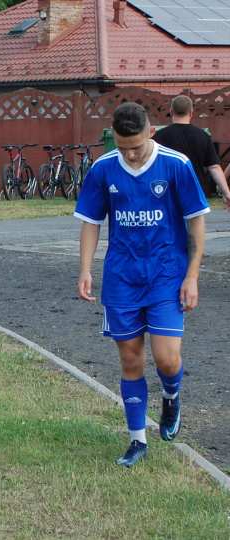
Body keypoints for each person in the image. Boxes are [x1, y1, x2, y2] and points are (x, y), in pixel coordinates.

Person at [76, 102, 208, 468]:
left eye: (136, 146)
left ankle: (171, 394)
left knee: (167, 359)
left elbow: (197, 224)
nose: (130, 153)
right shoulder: (104, 169)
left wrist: (192, 275)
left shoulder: (175, 166)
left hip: (167, 275)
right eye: (122, 147)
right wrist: (86, 269)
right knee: (130, 359)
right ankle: (137, 440)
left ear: (151, 132)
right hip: (122, 278)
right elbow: (90, 221)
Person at [152, 94, 230, 209]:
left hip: (166, 191)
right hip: (195, 191)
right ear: (191, 113)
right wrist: (227, 193)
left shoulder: (158, 136)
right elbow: (214, 167)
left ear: (171, 111)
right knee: (195, 226)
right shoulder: (203, 136)